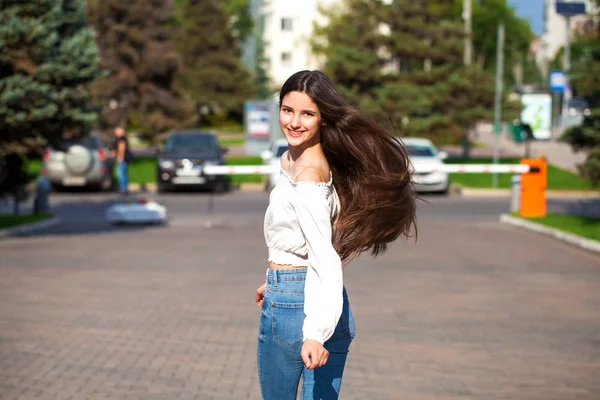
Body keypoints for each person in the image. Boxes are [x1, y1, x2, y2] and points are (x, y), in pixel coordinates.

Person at [255, 70, 417, 399]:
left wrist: (315, 333)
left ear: (324, 119)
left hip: (301, 313)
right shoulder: (294, 160)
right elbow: (305, 239)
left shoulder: (309, 175)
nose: (294, 122)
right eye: (288, 110)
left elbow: (324, 257)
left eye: (307, 114)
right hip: (310, 297)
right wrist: (277, 277)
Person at [111, 126, 131, 195]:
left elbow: (121, 148)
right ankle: (123, 188)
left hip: (121, 158)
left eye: (117, 131)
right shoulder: (119, 138)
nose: (115, 132)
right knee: (123, 173)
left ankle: (123, 189)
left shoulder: (121, 138)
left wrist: (120, 157)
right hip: (122, 158)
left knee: (121, 174)